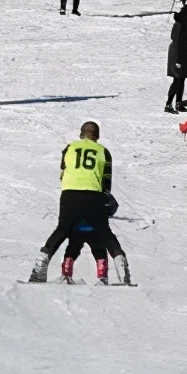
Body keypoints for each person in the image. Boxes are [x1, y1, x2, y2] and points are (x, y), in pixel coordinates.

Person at [27, 121, 126, 283]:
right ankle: (121, 266)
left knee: (62, 230)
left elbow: (63, 172)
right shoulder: (104, 152)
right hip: (94, 195)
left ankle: (40, 267)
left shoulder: (69, 148)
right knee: (104, 232)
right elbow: (106, 181)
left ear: (81, 133)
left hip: (70, 193)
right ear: (97, 135)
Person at [165, 4, 187, 114]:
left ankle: (178, 103)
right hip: (178, 54)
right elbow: (179, 42)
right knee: (177, 79)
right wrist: (178, 61)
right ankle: (169, 104)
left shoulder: (182, 23)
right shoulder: (181, 25)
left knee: (181, 79)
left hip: (182, 53)